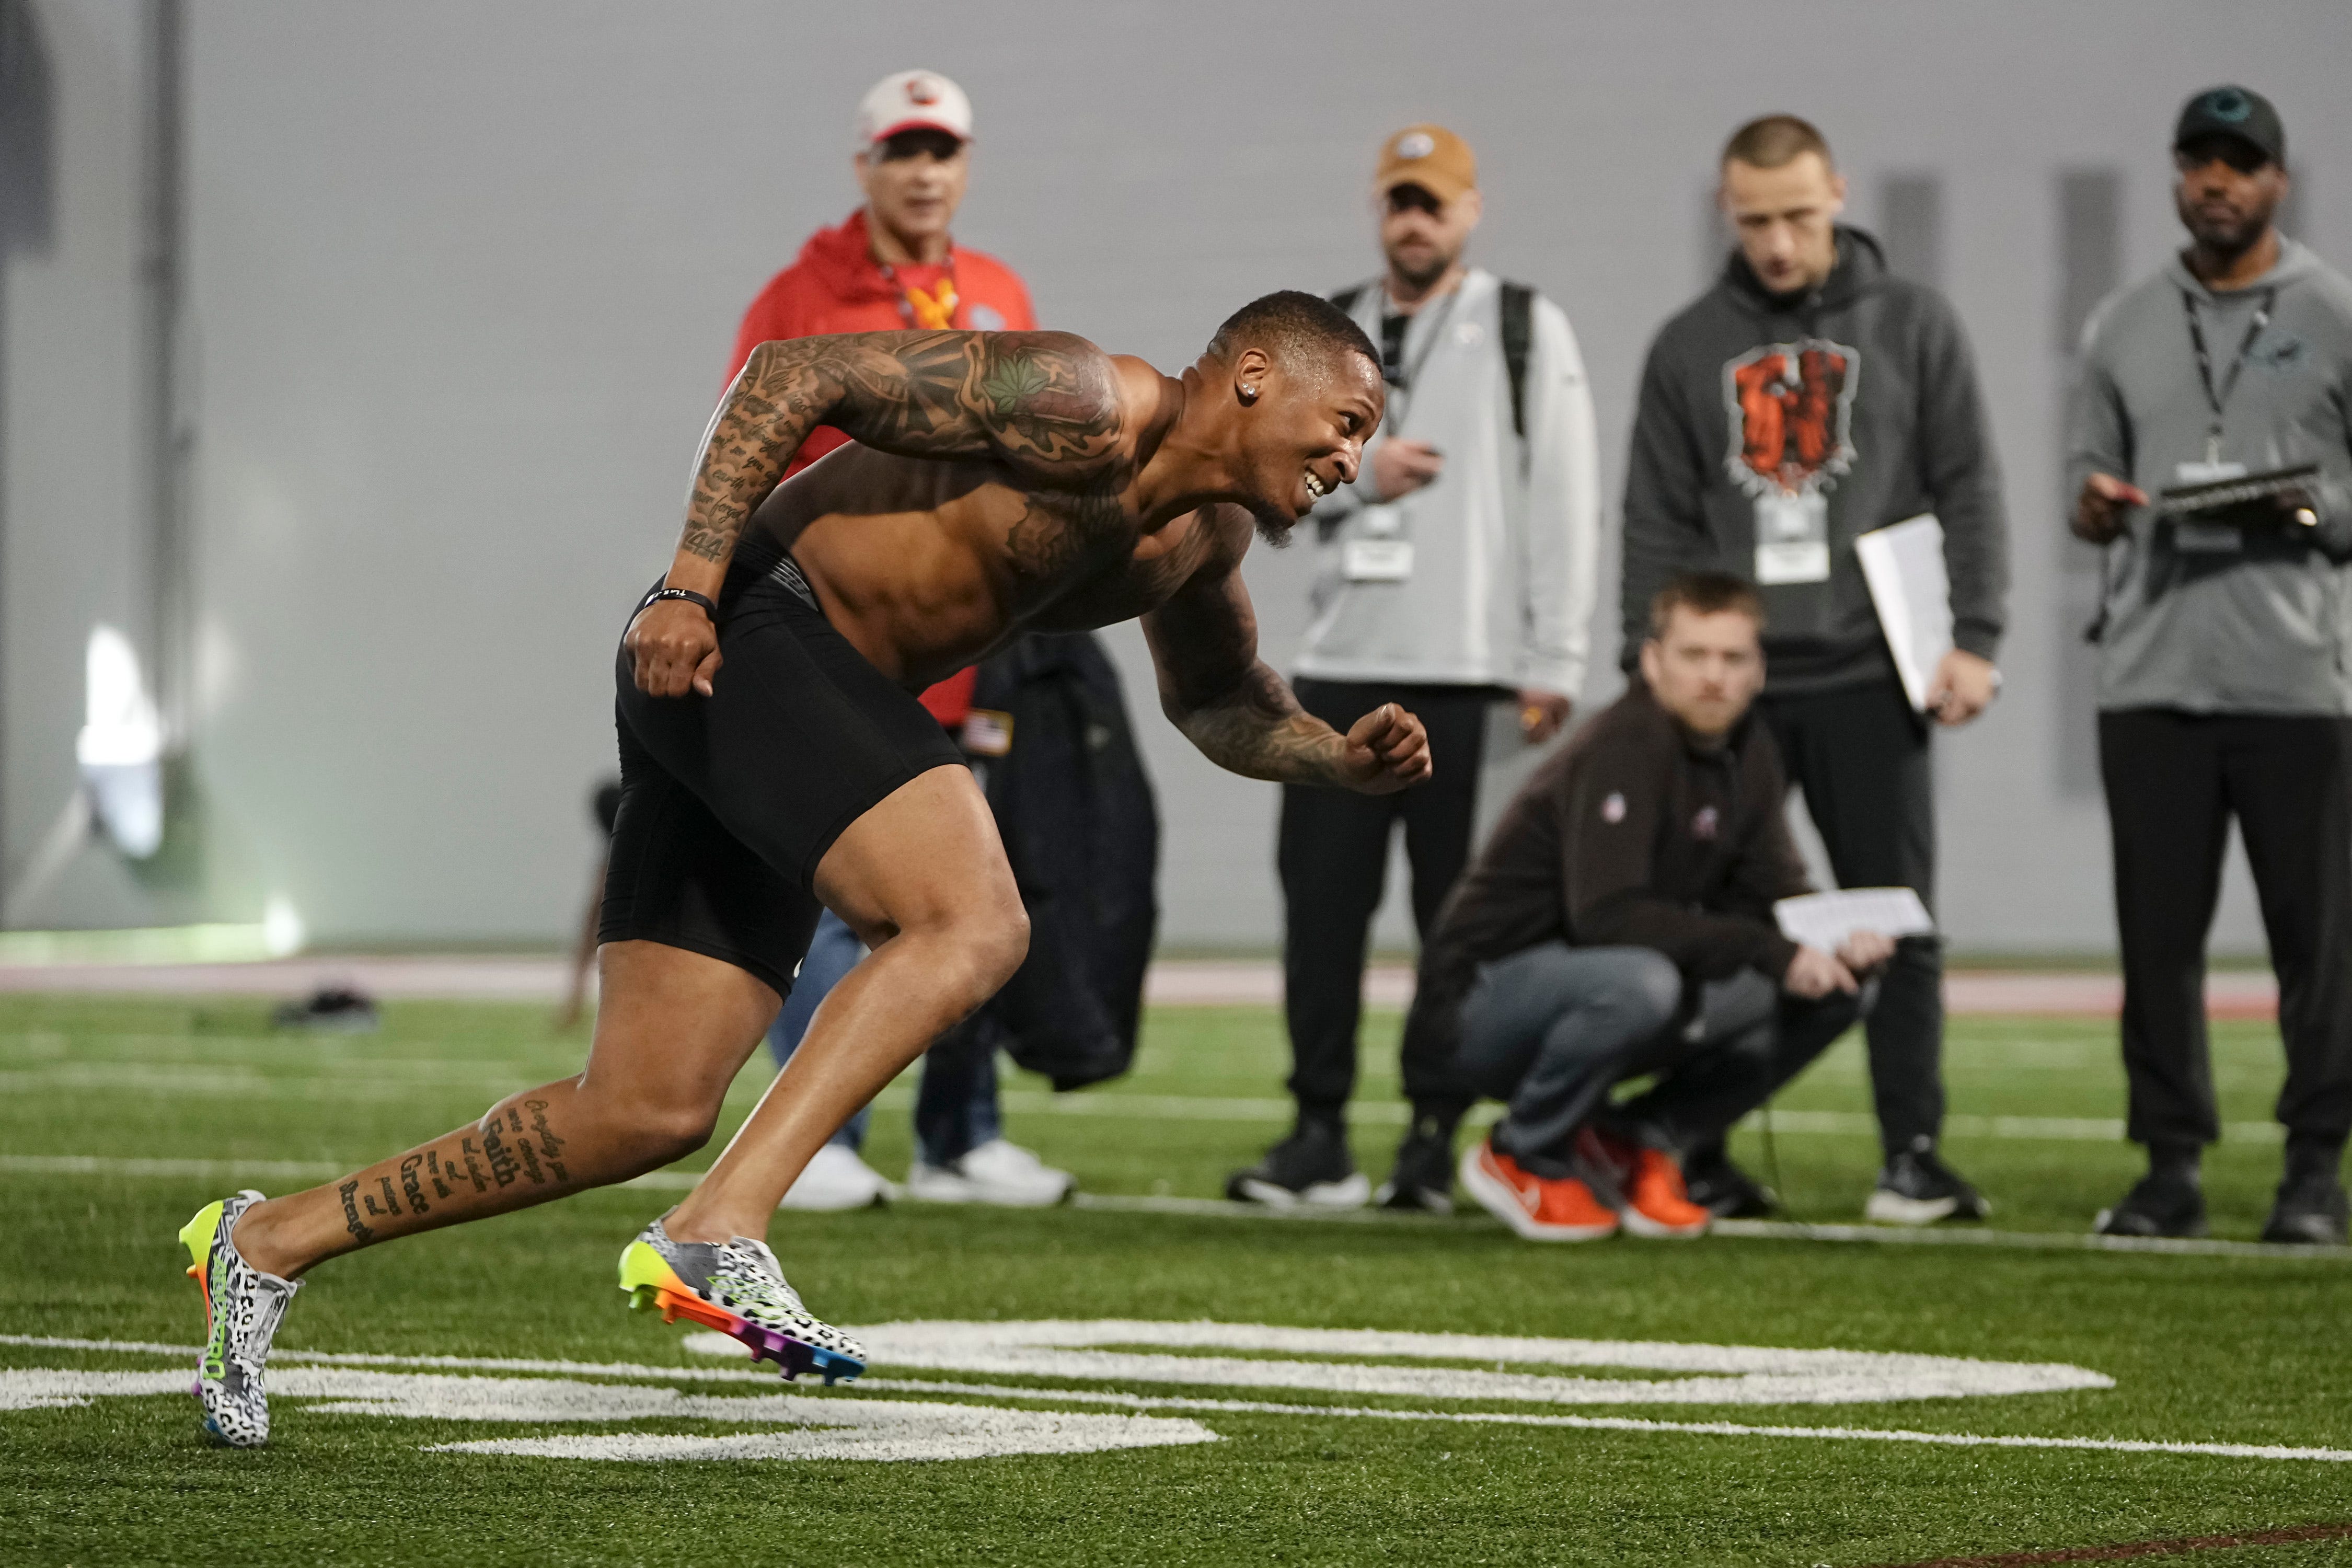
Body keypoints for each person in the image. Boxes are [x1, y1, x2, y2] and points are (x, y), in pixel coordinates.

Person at [177, 291, 1431, 1448]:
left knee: (644, 1109)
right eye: (1346, 424)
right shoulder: (1082, 400)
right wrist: (686, 586)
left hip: (789, 706)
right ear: (1256, 375)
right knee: (973, 921)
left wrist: (1333, 757)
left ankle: (265, 1238)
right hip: (745, 631)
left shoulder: (1198, 544)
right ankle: (717, 1231)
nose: (1348, 461)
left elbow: (1216, 698)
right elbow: (791, 373)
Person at [1618, 114, 2009, 1225]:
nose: (1779, 242)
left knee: (1900, 917)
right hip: (1725, 690)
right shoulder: (1687, 344)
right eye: (1754, 220)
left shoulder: (1915, 324)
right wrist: (1639, 659)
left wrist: (1975, 638)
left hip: (1867, 673)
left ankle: (1912, 1156)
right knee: (1710, 925)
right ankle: (1693, 1146)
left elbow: (1968, 485)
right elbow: (1653, 514)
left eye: (1797, 214)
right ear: (1725, 210)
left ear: (1838, 191)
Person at [1227, 124, 1600, 1212]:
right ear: (1377, 208)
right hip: (1341, 665)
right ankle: (1318, 1131)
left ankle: (1435, 1132)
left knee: (1459, 923)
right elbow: (1268, 496)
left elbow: (1567, 499)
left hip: (1474, 667)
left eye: (1435, 202)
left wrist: (1555, 655)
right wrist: (1363, 476)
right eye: (1401, 200)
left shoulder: (1524, 328)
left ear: (1471, 211)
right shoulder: (1329, 336)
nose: (1416, 219)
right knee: (1322, 911)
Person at [725, 68, 1067, 1211]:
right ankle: (821, 1138)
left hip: (974, 638)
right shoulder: (800, 295)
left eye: (944, 152)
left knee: (980, 887)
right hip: (843, 633)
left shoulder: (999, 290)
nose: (925, 172)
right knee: (839, 896)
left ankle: (959, 1137)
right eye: (904, 151)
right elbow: (741, 450)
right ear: (865, 165)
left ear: (964, 167)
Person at [2068, 86, 2352, 1246]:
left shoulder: (2335, 312)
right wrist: (2092, 505)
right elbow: (2092, 479)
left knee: (2317, 941)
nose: (2219, 183)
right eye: (2201, 162)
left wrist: (2306, 506)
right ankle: (2170, 1168)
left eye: (2242, 163)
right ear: (2178, 177)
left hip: (2294, 680)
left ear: (2279, 179)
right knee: (2158, 942)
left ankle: (2314, 1175)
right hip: (2151, 680)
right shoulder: (2122, 322)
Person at [1422, 572, 1889, 1240]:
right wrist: (1773, 951)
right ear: (1652, 661)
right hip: (1480, 1003)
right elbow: (1606, 916)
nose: (1713, 677)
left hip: (1593, 985)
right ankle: (1521, 1151)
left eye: (1732, 659)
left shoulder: (1750, 750)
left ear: (1758, 670)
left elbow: (1777, 886)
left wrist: (1838, 940)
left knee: (1841, 988)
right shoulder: (1625, 745)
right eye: (1694, 655)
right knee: (1645, 981)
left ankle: (1639, 1139)